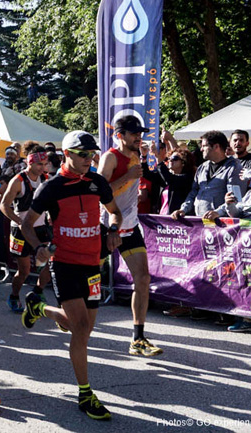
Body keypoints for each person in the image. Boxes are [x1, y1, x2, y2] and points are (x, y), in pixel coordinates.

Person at [20, 130, 123, 420]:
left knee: (84, 328)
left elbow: (114, 212)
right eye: (83, 154)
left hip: (92, 264)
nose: (89, 159)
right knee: (80, 328)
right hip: (64, 263)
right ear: (68, 154)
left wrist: (114, 230)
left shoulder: (96, 181)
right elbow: (27, 224)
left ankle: (40, 308)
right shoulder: (51, 187)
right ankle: (86, 393)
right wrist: (39, 246)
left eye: (92, 154)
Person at [97, 116, 163, 357]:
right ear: (120, 135)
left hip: (130, 226)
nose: (139, 137)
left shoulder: (137, 155)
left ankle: (138, 338)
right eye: (134, 133)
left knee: (143, 278)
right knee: (86, 278)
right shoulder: (111, 157)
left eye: (140, 133)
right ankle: (67, 314)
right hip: (107, 226)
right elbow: (99, 191)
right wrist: (128, 177)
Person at [0, 141, 52, 312]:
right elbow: (3, 205)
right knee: (24, 270)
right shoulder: (18, 180)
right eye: (39, 164)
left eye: (44, 164)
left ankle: (37, 292)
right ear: (30, 162)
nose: (42, 168)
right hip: (20, 230)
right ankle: (14, 296)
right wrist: (19, 221)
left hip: (40, 228)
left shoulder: (46, 179)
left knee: (47, 265)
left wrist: (51, 215)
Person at [172, 130, 246, 220]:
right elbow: (194, 192)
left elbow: (235, 199)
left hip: (222, 225)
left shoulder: (235, 168)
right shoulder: (202, 167)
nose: (201, 149)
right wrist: (183, 209)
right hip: (200, 223)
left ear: (216, 146)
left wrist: (218, 212)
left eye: (204, 146)